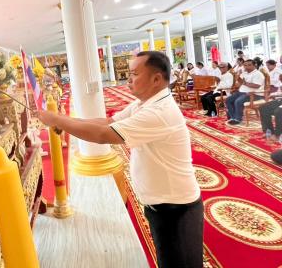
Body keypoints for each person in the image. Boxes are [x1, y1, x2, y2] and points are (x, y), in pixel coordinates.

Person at [36, 51, 203, 268]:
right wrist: (65, 121)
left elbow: (104, 135)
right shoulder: (145, 103)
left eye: (134, 73)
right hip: (161, 203)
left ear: (156, 79)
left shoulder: (159, 111)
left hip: (176, 209)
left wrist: (59, 120)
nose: (128, 78)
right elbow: (107, 122)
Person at [226, 59, 265, 125]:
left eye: (249, 65)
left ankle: (238, 119)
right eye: (245, 65)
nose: (247, 67)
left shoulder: (258, 74)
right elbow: (239, 83)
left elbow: (256, 86)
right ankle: (233, 117)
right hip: (242, 92)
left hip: (254, 94)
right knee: (228, 100)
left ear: (254, 65)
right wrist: (237, 77)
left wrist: (244, 83)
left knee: (238, 101)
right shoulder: (244, 73)